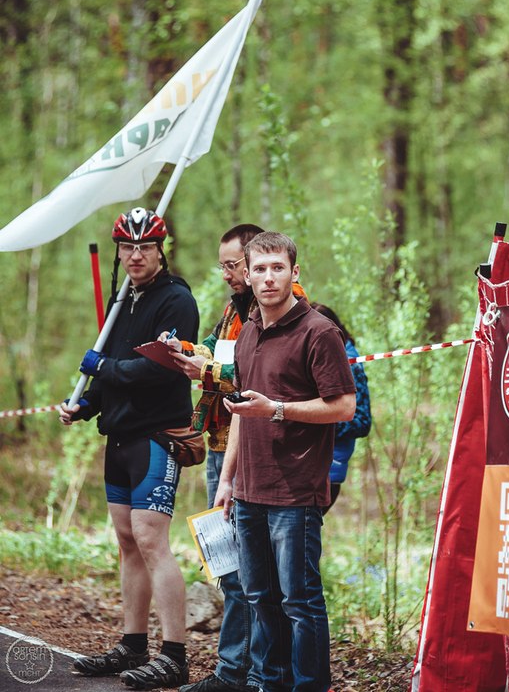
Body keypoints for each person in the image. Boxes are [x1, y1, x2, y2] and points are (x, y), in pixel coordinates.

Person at [59, 207, 199, 691]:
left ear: (161, 249)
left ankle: (174, 654)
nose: (136, 254)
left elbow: (160, 369)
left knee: (151, 539)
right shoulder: (124, 300)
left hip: (157, 435)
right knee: (126, 540)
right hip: (119, 436)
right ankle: (132, 644)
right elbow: (114, 369)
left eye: (145, 246)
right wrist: (86, 405)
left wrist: (103, 370)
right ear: (118, 251)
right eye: (127, 246)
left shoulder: (176, 301)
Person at [215, 231, 356, 692]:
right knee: (261, 598)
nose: (268, 277)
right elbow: (240, 412)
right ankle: (269, 683)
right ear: (247, 276)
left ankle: (310, 686)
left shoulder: (319, 332)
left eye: (278, 268)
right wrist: (228, 480)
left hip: (296, 492)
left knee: (300, 601)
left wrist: (276, 408)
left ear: (295, 273)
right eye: (259, 268)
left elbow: (343, 407)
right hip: (250, 491)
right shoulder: (247, 332)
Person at [159, 223, 264, 692]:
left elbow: (255, 371)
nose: (226, 274)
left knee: (249, 567)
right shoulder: (232, 308)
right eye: (221, 265)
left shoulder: (274, 305)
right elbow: (221, 357)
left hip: (251, 450)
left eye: (232, 264)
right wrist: (184, 353)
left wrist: (208, 368)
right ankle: (234, 668)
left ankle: (242, 672)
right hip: (220, 444)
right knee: (224, 562)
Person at [310, 302, 372, 512]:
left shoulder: (349, 361)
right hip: (309, 466)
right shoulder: (319, 357)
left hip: (330, 467)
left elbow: (361, 421)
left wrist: (313, 421)